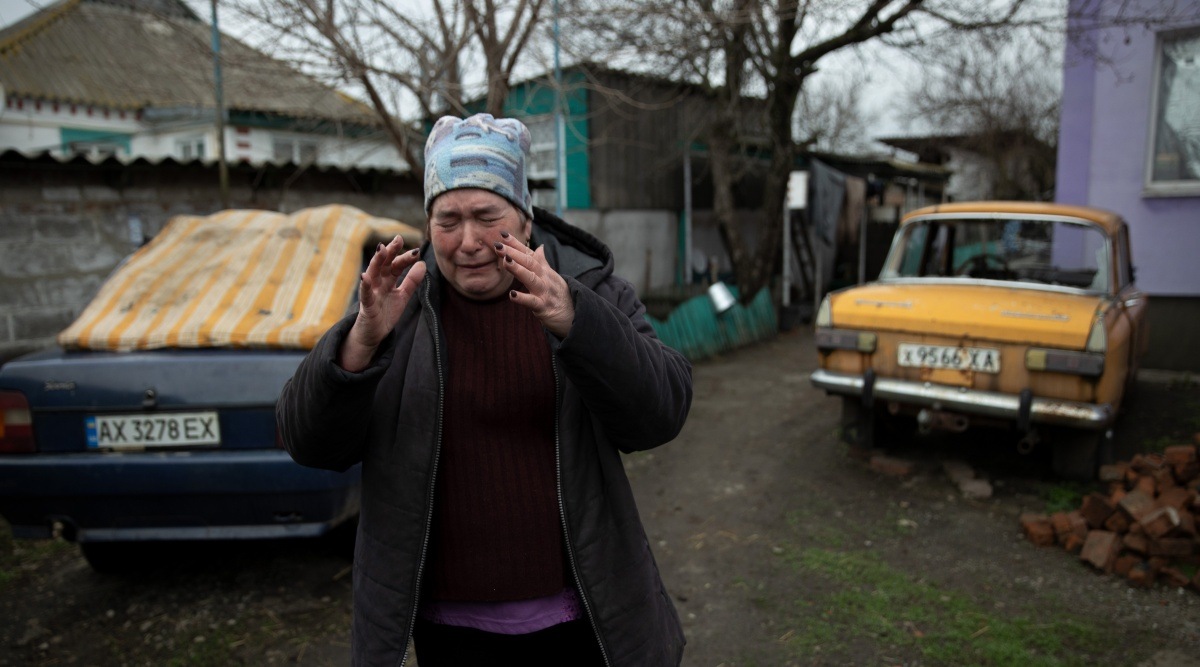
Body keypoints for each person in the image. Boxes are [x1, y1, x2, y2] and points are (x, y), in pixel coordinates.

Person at [277, 113, 692, 666]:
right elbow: (308, 443)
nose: (468, 241)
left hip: (582, 621)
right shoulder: (397, 305)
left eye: (487, 216)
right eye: (447, 220)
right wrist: (359, 344)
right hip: (448, 633)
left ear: (525, 219)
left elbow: (661, 413)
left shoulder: (590, 288)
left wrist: (577, 321)